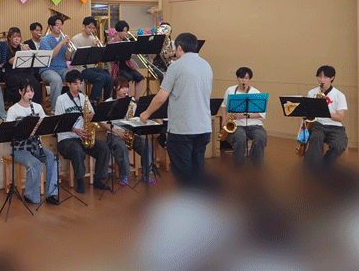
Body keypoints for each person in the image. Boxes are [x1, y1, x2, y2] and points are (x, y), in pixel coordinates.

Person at [139, 33, 213, 185]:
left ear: (179, 48)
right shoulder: (206, 65)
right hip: (204, 127)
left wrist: (146, 113)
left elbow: (161, 97)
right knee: (198, 169)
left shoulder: (176, 66)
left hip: (183, 129)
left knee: (183, 172)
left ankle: (187, 198)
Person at [55, 70, 111, 194]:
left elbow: (92, 115)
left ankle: (98, 179)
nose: (79, 86)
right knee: (77, 150)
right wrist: (75, 131)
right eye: (75, 84)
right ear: (68, 84)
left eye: (80, 83)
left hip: (83, 137)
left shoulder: (84, 98)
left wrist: (91, 115)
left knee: (103, 147)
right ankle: (80, 181)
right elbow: (59, 122)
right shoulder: (61, 99)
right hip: (66, 139)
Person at [5, 79, 59, 205]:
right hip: (20, 148)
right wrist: (26, 131)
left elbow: (45, 125)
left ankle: (51, 193)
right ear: (20, 92)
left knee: (52, 158)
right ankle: (30, 195)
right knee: (36, 164)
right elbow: (9, 133)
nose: (30, 94)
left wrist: (39, 127)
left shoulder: (37, 107)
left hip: (35, 145)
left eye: (32, 91)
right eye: (27, 91)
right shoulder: (13, 110)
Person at [100, 77, 155, 185]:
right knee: (121, 148)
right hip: (114, 133)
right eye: (122, 88)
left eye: (127, 87)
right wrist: (118, 133)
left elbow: (136, 118)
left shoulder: (131, 102)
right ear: (115, 88)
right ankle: (124, 176)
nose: (125, 90)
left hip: (129, 133)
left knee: (146, 145)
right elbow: (102, 122)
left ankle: (146, 174)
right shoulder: (109, 102)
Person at [301, 65, 348, 168]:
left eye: (325, 77)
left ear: (332, 78)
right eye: (319, 77)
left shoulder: (339, 95)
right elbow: (307, 113)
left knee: (339, 145)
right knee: (316, 138)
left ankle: (325, 165)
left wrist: (324, 111)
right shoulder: (312, 93)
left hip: (335, 126)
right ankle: (313, 167)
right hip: (318, 124)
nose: (321, 80)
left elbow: (340, 117)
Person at [219, 67, 268, 167]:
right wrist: (224, 119)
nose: (243, 81)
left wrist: (245, 115)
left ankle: (255, 161)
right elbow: (223, 104)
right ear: (237, 78)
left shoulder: (256, 92)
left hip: (255, 125)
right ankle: (238, 163)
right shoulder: (230, 90)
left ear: (249, 79)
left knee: (261, 137)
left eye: (246, 78)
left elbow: (262, 114)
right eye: (241, 78)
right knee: (240, 138)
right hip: (237, 125)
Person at [71, 16, 114, 104]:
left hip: (91, 67)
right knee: (100, 78)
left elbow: (97, 58)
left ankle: (106, 101)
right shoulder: (76, 39)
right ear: (83, 26)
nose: (91, 30)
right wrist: (93, 47)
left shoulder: (93, 38)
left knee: (109, 79)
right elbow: (77, 58)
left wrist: (99, 50)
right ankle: (93, 101)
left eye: (93, 28)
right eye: (89, 27)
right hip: (80, 69)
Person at [40, 15, 72, 112]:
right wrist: (61, 42)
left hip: (63, 68)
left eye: (61, 25)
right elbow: (51, 56)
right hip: (48, 69)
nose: (60, 27)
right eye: (57, 25)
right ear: (51, 26)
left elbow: (67, 58)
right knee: (56, 80)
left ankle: (77, 106)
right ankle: (55, 110)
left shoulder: (63, 39)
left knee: (76, 77)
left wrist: (68, 47)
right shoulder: (44, 40)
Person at [109, 20, 145, 101]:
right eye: (123, 31)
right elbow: (111, 57)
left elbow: (129, 57)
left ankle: (136, 100)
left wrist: (134, 51)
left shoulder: (127, 42)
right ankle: (127, 99)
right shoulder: (112, 43)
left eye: (126, 31)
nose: (125, 33)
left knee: (140, 78)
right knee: (129, 79)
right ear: (118, 31)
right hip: (118, 67)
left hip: (128, 66)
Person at [4, 27, 42, 105]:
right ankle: (21, 105)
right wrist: (22, 52)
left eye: (18, 36)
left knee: (36, 84)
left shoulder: (20, 47)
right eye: (14, 37)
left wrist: (30, 53)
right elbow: (11, 62)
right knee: (22, 84)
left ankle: (35, 106)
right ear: (9, 38)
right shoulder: (6, 48)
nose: (17, 39)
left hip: (25, 73)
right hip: (12, 74)